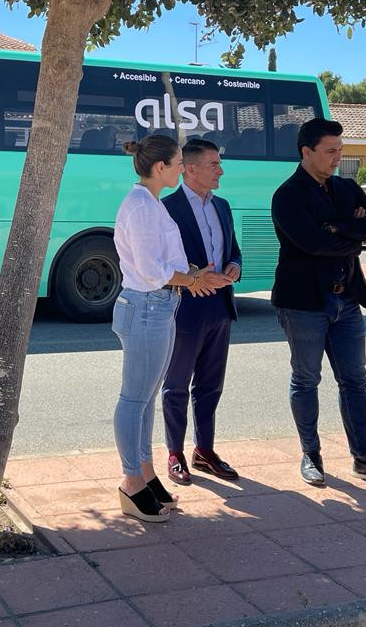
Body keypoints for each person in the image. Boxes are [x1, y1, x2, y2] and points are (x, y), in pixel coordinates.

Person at [271, 118, 366, 489]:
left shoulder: (348, 188)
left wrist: (335, 227)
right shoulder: (287, 196)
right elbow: (311, 243)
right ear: (307, 152)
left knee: (355, 381)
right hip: (303, 303)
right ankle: (311, 455)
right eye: (331, 151)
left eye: (341, 149)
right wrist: (350, 232)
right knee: (306, 380)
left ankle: (365, 459)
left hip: (346, 299)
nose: (339, 157)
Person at [112, 135, 229, 522]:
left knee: (145, 399)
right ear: (160, 167)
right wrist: (192, 281)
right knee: (135, 399)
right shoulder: (142, 206)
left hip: (158, 306)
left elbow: (163, 263)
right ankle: (131, 483)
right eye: (179, 162)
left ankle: (145, 474)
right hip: (146, 307)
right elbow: (151, 271)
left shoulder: (150, 203)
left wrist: (195, 274)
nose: (183, 167)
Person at [161, 138, 243, 485]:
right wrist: (196, 274)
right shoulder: (167, 208)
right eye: (214, 164)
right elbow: (162, 260)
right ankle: (175, 453)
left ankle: (204, 451)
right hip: (185, 307)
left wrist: (235, 267)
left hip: (220, 307)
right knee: (176, 386)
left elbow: (233, 250)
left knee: (211, 386)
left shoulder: (222, 206)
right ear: (190, 169)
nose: (221, 170)